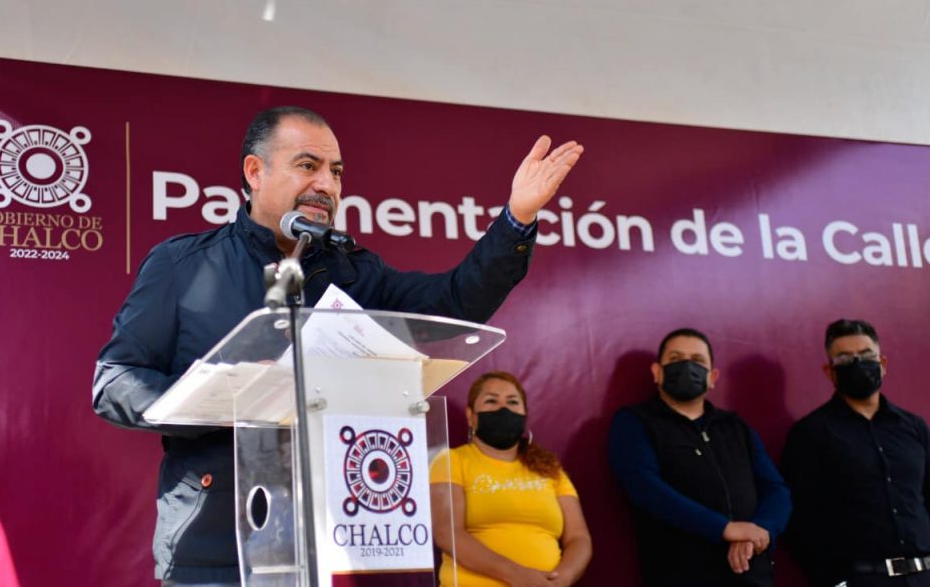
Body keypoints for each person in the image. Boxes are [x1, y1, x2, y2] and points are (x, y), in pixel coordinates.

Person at [91, 105, 583, 585]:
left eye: (336, 172)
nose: (327, 185)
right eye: (308, 166)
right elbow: (115, 382)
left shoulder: (356, 272)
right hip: (218, 548)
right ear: (255, 172)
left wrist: (517, 219)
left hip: (339, 543)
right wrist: (222, 397)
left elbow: (455, 302)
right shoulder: (183, 265)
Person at [607, 328, 792, 587]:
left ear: (712, 377)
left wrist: (760, 531)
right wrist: (724, 528)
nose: (686, 366)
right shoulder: (634, 422)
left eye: (697, 360)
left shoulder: (735, 427)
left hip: (752, 573)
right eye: (675, 359)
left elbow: (776, 489)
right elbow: (645, 488)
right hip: (681, 574)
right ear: (657, 372)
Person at [781, 319, 930, 587]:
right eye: (845, 359)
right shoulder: (810, 433)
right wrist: (833, 581)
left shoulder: (914, 427)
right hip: (862, 579)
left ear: (882, 364)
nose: (858, 364)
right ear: (830, 371)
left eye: (866, 356)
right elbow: (798, 516)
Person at [429, 371, 592, 587]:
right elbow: (447, 532)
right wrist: (517, 575)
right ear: (471, 416)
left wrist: (563, 577)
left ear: (525, 414)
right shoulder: (451, 461)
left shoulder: (550, 469)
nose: (503, 409)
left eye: (513, 402)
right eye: (491, 401)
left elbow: (579, 538)